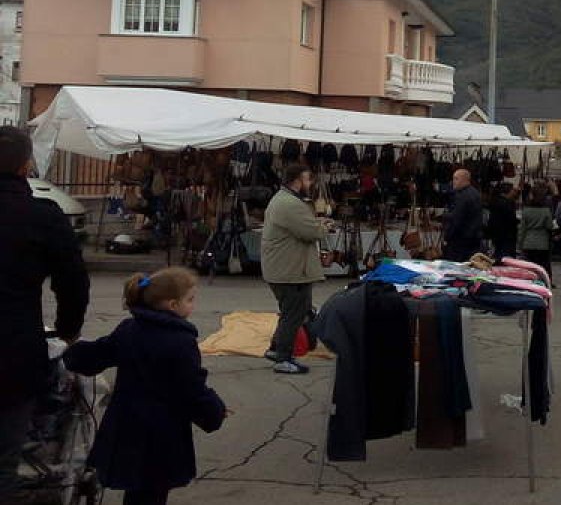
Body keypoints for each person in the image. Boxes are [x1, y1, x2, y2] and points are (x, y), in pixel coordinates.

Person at [64, 267, 227, 505]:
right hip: (161, 431)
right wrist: (215, 411)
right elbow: (191, 389)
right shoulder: (182, 341)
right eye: (190, 299)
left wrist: (70, 354)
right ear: (173, 305)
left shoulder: (129, 329)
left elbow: (99, 353)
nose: (193, 305)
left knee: (138, 489)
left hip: (127, 424)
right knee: (152, 491)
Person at [0, 126, 90, 502]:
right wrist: (68, 331)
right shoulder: (42, 216)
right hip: (13, 354)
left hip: (15, 352)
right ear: (25, 166)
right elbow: (73, 283)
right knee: (3, 461)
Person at [261, 164, 326, 375]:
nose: (310, 184)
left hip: (284, 269)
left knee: (291, 312)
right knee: (294, 315)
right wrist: (324, 225)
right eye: (308, 179)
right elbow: (310, 232)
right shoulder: (290, 203)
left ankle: (275, 349)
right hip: (290, 272)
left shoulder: (283, 199)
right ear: (297, 180)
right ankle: (284, 358)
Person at [518, 185, 556, 287]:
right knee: (543, 265)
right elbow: (549, 226)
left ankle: (530, 282)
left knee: (530, 265)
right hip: (542, 242)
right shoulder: (546, 211)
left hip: (528, 241)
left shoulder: (526, 211)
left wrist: (520, 244)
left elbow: (522, 229)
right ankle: (545, 282)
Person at [443, 169, 483, 262]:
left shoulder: (462, 196)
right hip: (473, 241)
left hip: (460, 243)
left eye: (456, 179)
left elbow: (456, 220)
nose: (453, 182)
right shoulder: (475, 193)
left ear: (465, 180)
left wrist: (447, 236)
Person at [486, 182, 519, 260]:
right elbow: (511, 220)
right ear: (509, 191)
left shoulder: (495, 201)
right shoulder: (507, 204)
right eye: (513, 190)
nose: (514, 192)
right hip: (506, 237)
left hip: (496, 236)